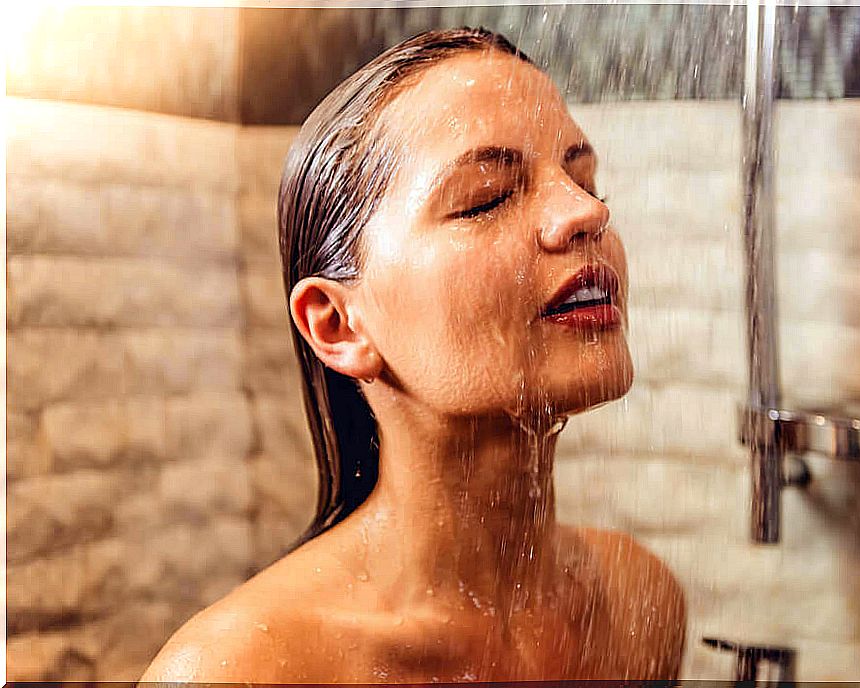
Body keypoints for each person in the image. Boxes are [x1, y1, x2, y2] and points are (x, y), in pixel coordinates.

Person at [140, 26, 685, 683]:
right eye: (488, 197)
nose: (587, 213)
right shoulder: (247, 669)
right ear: (339, 325)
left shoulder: (637, 604)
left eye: (585, 180)